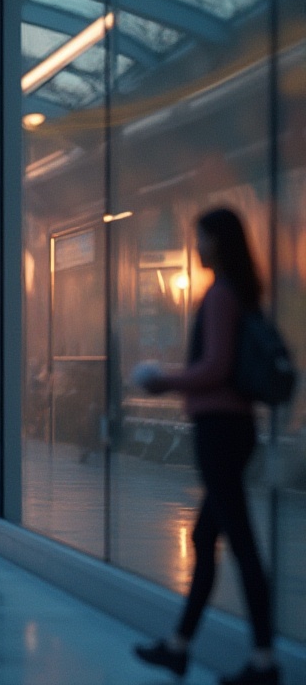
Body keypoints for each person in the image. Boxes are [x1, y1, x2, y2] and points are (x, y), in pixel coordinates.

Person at [132, 208, 278, 685]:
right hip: (235, 429)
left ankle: (263, 661)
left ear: (216, 241)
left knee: (242, 544)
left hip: (219, 430)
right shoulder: (243, 293)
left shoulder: (219, 296)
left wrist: (162, 380)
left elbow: (214, 368)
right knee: (204, 538)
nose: (195, 245)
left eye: (200, 237)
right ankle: (179, 647)